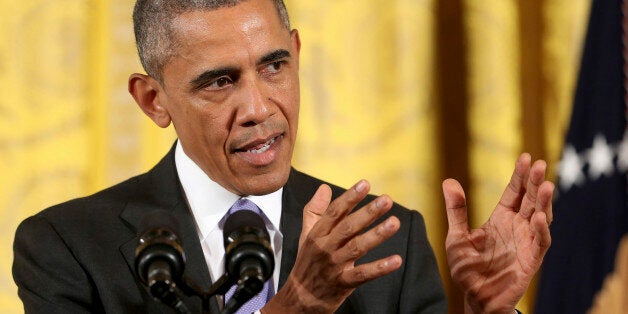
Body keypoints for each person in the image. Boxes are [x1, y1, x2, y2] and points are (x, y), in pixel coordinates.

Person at [12, 0, 554, 313]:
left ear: (296, 53)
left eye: (274, 67)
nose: (258, 107)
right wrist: (296, 306)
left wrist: (491, 312)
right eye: (220, 82)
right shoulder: (69, 248)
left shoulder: (386, 239)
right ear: (154, 100)